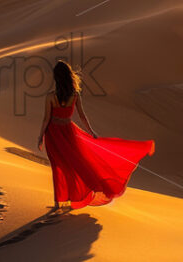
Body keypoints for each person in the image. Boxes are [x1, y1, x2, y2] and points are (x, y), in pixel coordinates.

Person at [37, 60, 155, 211]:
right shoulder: (74, 95)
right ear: (68, 76)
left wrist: (40, 137)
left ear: (56, 78)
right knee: (75, 164)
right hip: (68, 132)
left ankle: (59, 202)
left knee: (58, 167)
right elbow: (82, 116)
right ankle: (71, 198)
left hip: (53, 134)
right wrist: (91, 131)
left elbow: (46, 118)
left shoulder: (50, 97)